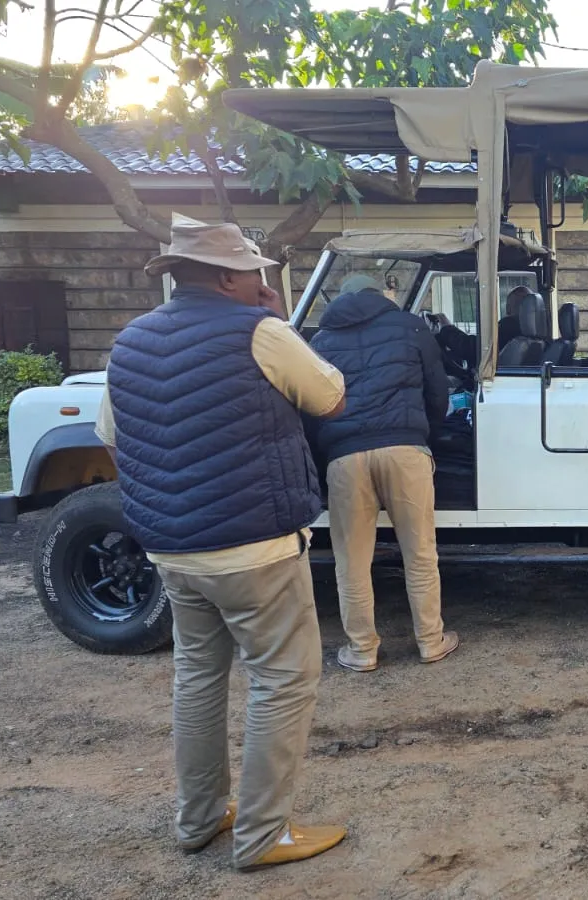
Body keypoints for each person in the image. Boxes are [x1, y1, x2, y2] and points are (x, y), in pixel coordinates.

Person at [94, 216, 349, 870]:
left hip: (172, 549)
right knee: (284, 679)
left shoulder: (130, 341)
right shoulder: (260, 332)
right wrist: (278, 319)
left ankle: (199, 818)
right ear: (232, 276)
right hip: (255, 546)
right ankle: (264, 834)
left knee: (198, 677)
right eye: (257, 273)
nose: (264, 281)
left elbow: (112, 439)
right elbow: (329, 397)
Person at [307, 275, 459, 674]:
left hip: (345, 457)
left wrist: (328, 451)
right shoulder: (410, 326)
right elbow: (437, 391)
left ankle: (362, 651)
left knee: (352, 561)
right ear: (381, 295)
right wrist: (421, 431)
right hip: (405, 450)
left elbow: (310, 406)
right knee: (420, 553)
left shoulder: (320, 341)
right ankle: (430, 641)